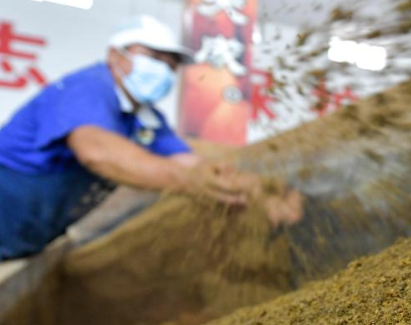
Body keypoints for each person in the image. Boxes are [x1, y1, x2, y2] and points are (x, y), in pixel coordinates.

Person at [0, 15, 302, 261]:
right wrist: (192, 183)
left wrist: (260, 190)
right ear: (115, 55)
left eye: (170, 64)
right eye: (153, 56)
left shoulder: (146, 116)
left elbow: (190, 164)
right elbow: (97, 152)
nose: (164, 69)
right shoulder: (90, 87)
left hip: (25, 238)